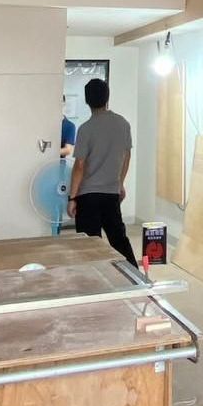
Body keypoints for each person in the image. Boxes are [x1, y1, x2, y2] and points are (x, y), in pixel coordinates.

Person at [67, 79, 137, 266]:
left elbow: (79, 166)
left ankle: (93, 283)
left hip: (88, 196)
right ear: (107, 97)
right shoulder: (123, 124)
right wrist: (119, 183)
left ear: (86, 100)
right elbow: (126, 155)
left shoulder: (85, 129)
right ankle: (136, 279)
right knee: (118, 239)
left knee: (89, 244)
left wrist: (72, 198)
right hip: (110, 193)